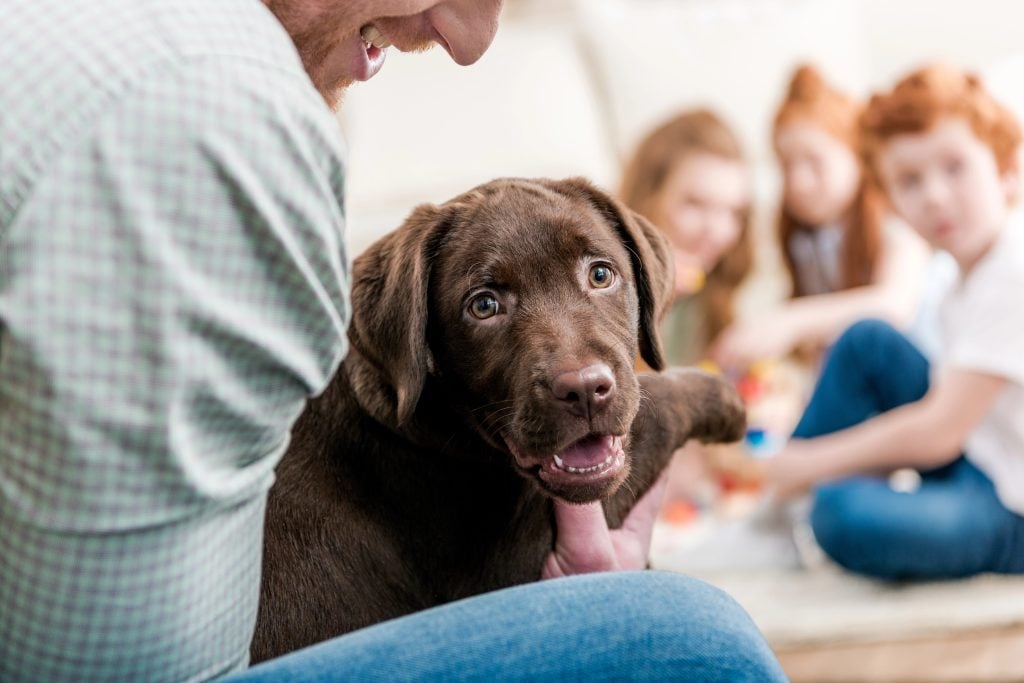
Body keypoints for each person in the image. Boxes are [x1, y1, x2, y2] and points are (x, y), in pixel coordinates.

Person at [0, 1, 786, 681]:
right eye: (485, 303)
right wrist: (681, 398)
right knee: (696, 640)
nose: (471, 39)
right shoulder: (221, 101)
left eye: (600, 277)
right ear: (416, 337)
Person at [757, 64, 1024, 580]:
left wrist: (809, 462)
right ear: (892, 202)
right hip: (983, 459)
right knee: (867, 342)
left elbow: (939, 432)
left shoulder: (1012, 271)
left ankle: (792, 492)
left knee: (840, 514)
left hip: (1013, 509)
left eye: (955, 167)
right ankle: (785, 506)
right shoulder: (956, 276)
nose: (935, 196)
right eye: (909, 181)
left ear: (1007, 170)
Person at [711, 64, 935, 371]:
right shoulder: (807, 241)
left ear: (857, 156)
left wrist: (792, 320)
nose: (798, 181)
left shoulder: (896, 221)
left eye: (814, 161)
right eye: (786, 165)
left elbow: (894, 305)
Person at [619, 109, 753, 368]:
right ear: (648, 198)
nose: (718, 232)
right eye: (696, 204)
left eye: (734, 212)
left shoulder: (724, 283)